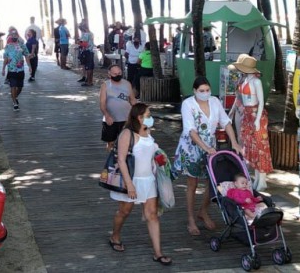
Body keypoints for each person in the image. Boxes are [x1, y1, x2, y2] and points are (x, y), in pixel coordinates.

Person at [173, 76, 241, 236]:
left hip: (210, 144)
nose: (205, 93)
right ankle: (190, 218)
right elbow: (190, 130)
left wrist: (235, 142)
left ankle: (203, 211)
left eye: (207, 90)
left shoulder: (215, 102)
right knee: (192, 183)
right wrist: (204, 147)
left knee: (212, 182)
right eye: (201, 91)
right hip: (192, 146)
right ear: (195, 91)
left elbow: (226, 122)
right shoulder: (188, 104)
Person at [109, 103, 172, 266]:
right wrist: (130, 185)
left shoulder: (148, 132)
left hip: (148, 180)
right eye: (149, 115)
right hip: (130, 179)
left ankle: (158, 252)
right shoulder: (127, 134)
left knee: (152, 214)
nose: (151, 118)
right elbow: (121, 160)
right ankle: (115, 235)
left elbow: (149, 154)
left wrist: (160, 159)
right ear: (139, 117)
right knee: (124, 211)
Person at [230, 54, 273, 191]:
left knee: (260, 147)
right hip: (247, 115)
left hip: (256, 115)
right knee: (251, 148)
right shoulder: (244, 80)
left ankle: (262, 180)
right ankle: (257, 179)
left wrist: (258, 119)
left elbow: (261, 102)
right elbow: (239, 99)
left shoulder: (256, 82)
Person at [99, 64, 136, 151]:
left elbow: (132, 100)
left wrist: (139, 112)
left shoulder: (127, 84)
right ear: (109, 75)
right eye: (115, 74)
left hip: (126, 118)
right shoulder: (105, 85)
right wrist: (107, 115)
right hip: (111, 119)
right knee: (110, 142)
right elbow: (102, 103)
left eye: (119, 73)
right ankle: (111, 160)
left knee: (127, 142)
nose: (118, 75)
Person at [2, 29, 30, 110]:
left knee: (20, 87)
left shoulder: (22, 45)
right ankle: (14, 102)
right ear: (10, 36)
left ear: (18, 36)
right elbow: (6, 58)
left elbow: (27, 55)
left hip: (20, 69)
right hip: (11, 69)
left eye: (15, 35)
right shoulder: (8, 46)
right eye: (12, 35)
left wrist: (29, 66)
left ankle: (15, 96)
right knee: (13, 86)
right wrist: (3, 68)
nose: (14, 36)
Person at [78, 21, 95, 86]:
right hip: (91, 51)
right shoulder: (91, 33)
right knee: (91, 67)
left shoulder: (85, 34)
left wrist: (79, 42)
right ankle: (90, 81)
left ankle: (88, 81)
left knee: (88, 67)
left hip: (87, 51)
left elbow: (84, 44)